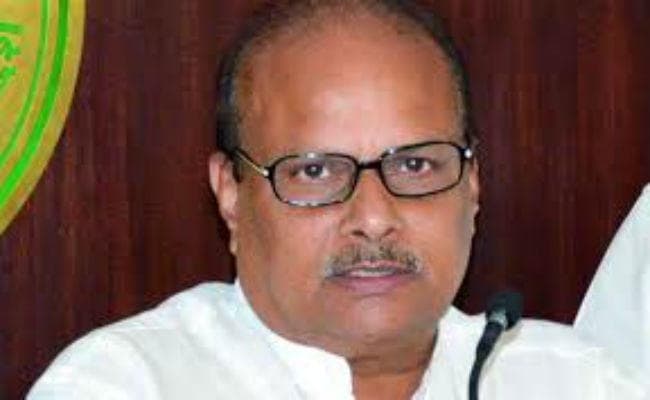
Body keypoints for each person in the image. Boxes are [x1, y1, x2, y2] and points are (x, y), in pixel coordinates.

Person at [28, 1, 648, 399]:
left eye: (415, 164)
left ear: (473, 184)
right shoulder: (127, 384)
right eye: (316, 171)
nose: (373, 219)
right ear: (231, 195)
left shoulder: (574, 381)